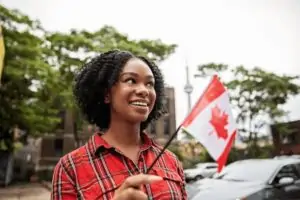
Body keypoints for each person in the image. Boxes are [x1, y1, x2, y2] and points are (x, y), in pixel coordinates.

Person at [51, 50, 187, 200]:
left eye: (150, 84)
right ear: (106, 94)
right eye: (130, 80)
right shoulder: (70, 168)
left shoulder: (171, 160)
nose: (144, 90)